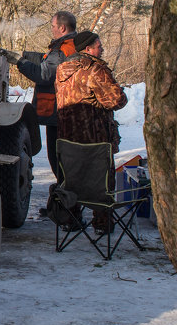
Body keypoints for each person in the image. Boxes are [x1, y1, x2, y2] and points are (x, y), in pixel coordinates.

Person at [54, 30, 128, 232]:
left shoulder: (62, 70)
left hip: (67, 138)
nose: (101, 48)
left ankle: (72, 219)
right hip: (94, 137)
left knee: (72, 176)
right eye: (98, 45)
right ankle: (102, 223)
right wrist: (121, 92)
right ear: (88, 49)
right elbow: (115, 100)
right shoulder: (95, 70)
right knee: (101, 181)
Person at [14, 10, 78, 187]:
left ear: (62, 27)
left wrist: (20, 62)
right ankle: (64, 199)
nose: (52, 29)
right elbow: (46, 60)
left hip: (58, 112)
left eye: (53, 26)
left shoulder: (63, 49)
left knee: (59, 159)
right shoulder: (71, 45)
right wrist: (25, 54)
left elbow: (43, 74)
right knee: (63, 159)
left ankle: (65, 203)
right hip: (64, 111)